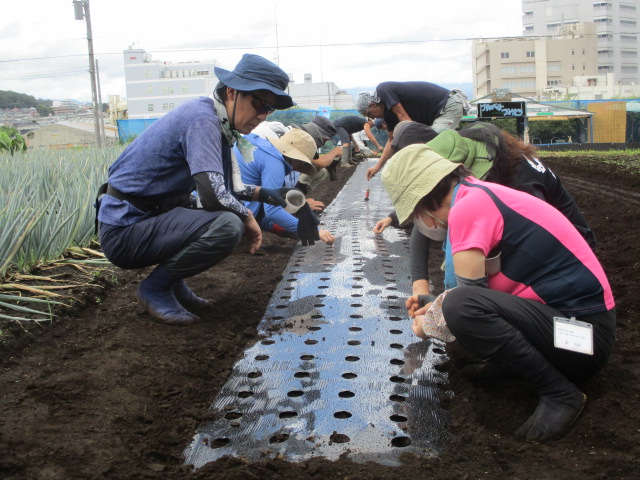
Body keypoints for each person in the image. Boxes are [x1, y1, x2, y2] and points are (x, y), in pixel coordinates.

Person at [381, 145, 616, 442]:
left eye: (415, 214)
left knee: (459, 307)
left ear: (424, 204)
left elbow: (467, 302)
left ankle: (559, 393)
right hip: (574, 333)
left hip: (585, 342)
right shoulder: (476, 195)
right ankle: (509, 364)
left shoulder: (468, 207)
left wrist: (430, 324)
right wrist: (436, 304)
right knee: (457, 305)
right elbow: (489, 295)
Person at [95, 54, 315, 326]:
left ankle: (174, 284)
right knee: (227, 225)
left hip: (148, 220)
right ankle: (156, 287)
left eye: (268, 110)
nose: (261, 115)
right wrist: (248, 218)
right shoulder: (203, 120)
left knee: (222, 215)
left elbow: (233, 188)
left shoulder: (220, 124)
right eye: (259, 103)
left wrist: (283, 200)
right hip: (125, 230)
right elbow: (212, 194)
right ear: (232, 92)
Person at [374, 121, 596, 318]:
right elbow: (426, 208)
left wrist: (445, 313)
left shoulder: (517, 184)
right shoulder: (472, 154)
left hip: (569, 268)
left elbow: (535, 255)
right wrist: (421, 286)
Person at [236, 128, 335, 245]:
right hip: (233, 215)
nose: (299, 168)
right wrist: (314, 231)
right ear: (295, 157)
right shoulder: (275, 163)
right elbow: (272, 211)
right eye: (303, 162)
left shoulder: (263, 148)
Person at [356, 81, 470, 180]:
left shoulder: (384, 89)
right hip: (436, 115)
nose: (375, 118)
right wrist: (378, 166)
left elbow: (407, 123)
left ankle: (458, 176)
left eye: (370, 114)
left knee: (434, 145)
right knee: (428, 147)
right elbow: (391, 140)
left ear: (373, 104)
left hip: (448, 105)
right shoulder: (388, 114)